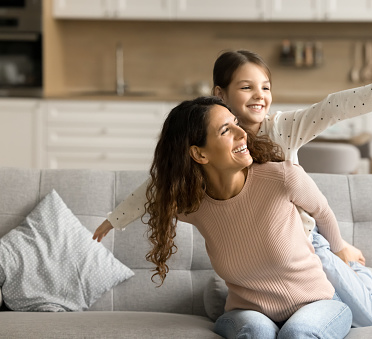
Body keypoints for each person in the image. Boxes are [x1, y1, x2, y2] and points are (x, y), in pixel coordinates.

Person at [94, 50, 372, 327]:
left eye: (266, 87)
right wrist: (116, 219)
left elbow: (333, 108)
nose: (260, 95)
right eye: (246, 87)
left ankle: (357, 271)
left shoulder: (283, 127)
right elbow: (161, 184)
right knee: (233, 306)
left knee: (368, 315)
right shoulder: (209, 135)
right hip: (248, 252)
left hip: (303, 244)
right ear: (220, 95)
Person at [96, 96, 354, 338]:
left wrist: (340, 247)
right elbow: (156, 189)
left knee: (297, 334)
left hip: (318, 304)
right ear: (199, 154)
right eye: (225, 130)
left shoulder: (282, 177)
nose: (242, 133)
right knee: (257, 333)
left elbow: (322, 211)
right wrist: (114, 219)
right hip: (250, 314)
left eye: (235, 123)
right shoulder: (193, 206)